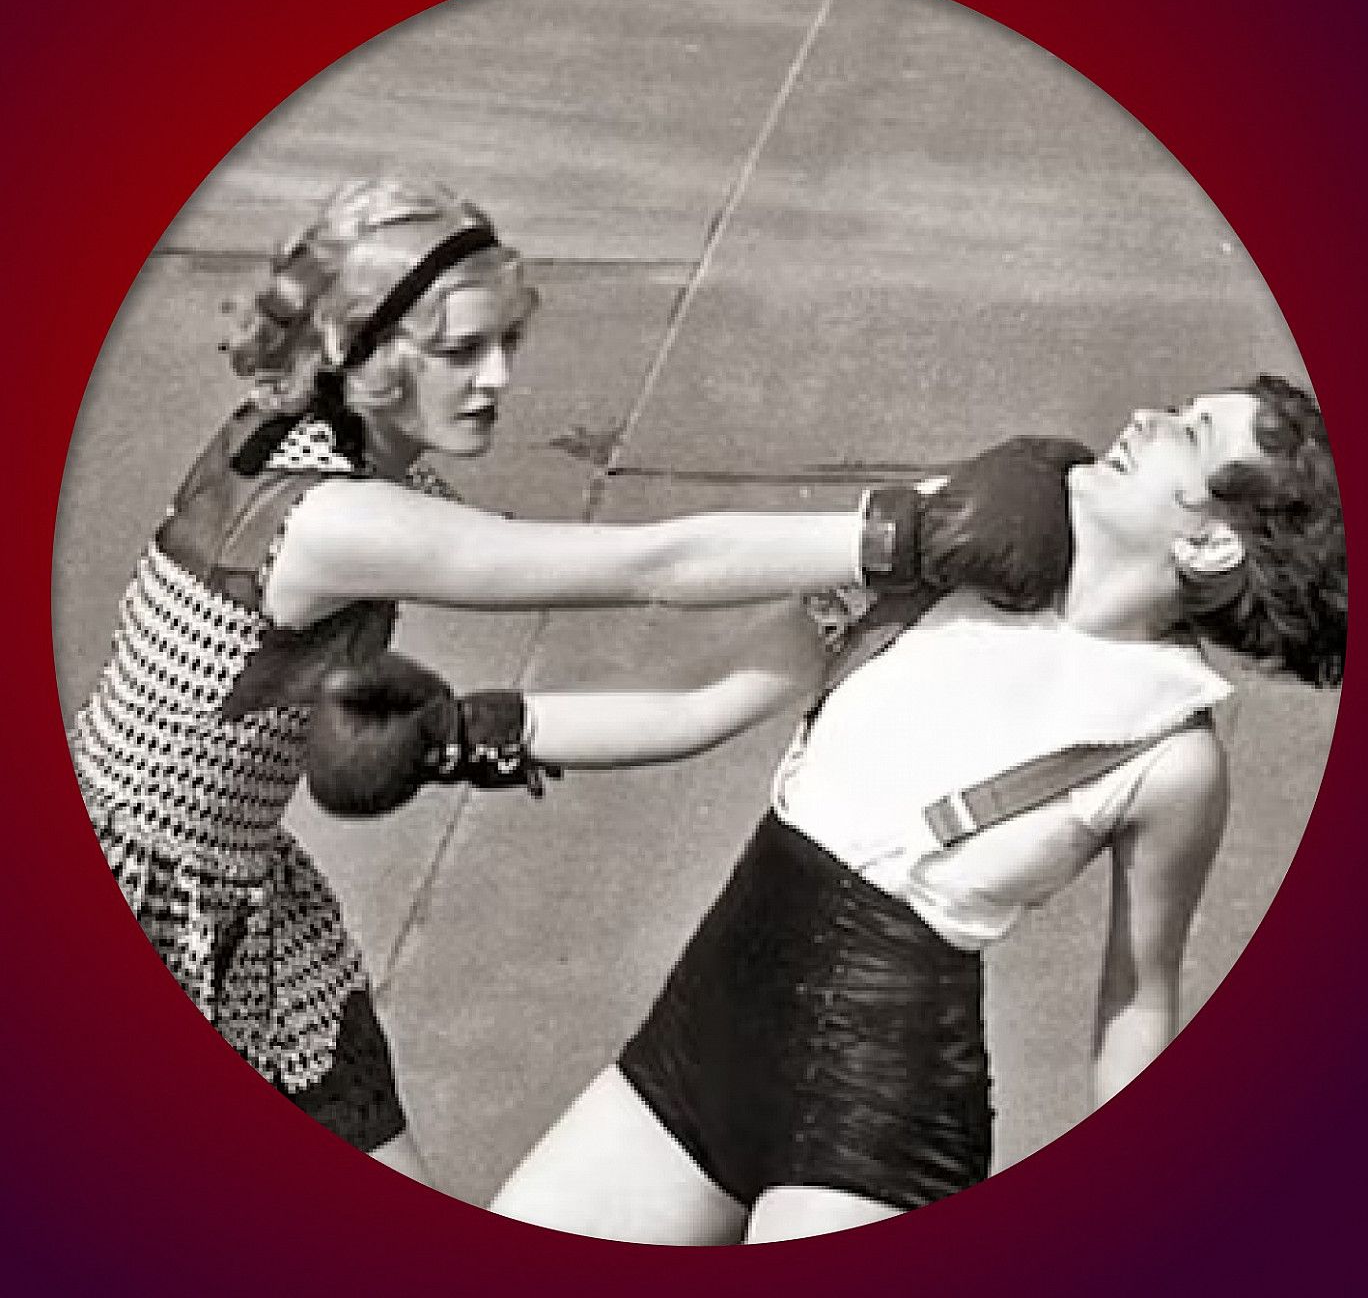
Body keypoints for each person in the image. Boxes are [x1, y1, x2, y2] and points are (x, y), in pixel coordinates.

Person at [65, 177, 985, 1185]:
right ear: (361, 348)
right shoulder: (337, 522)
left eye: (508, 340)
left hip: (231, 903)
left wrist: (836, 604)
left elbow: (680, 706)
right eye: (460, 350)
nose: (497, 376)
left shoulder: (309, 443)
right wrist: (903, 530)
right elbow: (653, 566)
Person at [382, 375, 1337, 1244]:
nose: (1145, 417)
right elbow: (699, 701)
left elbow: (1138, 999)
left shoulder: (1168, 750)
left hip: (879, 1122)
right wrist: (463, 732)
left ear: (1211, 542)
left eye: (1188, 434)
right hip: (700, 1040)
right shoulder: (946, 556)